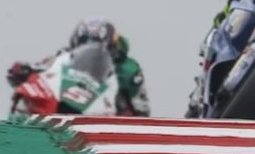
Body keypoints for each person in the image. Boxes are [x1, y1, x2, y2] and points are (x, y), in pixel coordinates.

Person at [8, 18, 151, 116]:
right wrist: (25, 70)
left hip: (106, 105)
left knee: (131, 110)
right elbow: (43, 66)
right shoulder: (63, 55)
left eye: (98, 43)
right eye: (85, 42)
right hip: (71, 92)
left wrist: (132, 114)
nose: (91, 48)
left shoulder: (127, 68)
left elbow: (142, 107)